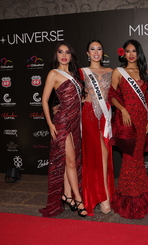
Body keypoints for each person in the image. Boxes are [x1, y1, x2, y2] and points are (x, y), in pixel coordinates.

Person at [40, 41, 87, 217]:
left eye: (67, 52)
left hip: (76, 122)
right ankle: (78, 198)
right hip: (62, 122)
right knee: (71, 161)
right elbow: (44, 100)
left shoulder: (75, 75)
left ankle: (67, 195)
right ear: (56, 55)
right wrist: (50, 124)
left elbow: (74, 99)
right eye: (60, 52)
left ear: (71, 55)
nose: (64, 55)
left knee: (71, 161)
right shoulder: (53, 74)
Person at [109, 39, 148, 219]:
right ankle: (128, 202)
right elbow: (111, 95)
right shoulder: (118, 72)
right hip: (126, 121)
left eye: (134, 51)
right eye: (127, 51)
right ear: (123, 54)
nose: (131, 54)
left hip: (143, 120)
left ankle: (141, 200)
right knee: (129, 159)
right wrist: (122, 109)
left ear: (138, 53)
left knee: (137, 160)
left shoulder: (145, 73)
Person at [79, 39, 114, 216]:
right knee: (100, 153)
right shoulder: (81, 72)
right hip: (89, 113)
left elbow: (117, 94)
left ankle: (101, 192)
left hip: (106, 115)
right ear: (87, 53)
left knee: (104, 153)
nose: (96, 52)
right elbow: (70, 92)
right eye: (92, 49)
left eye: (99, 49)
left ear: (103, 52)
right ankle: (103, 196)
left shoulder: (111, 71)